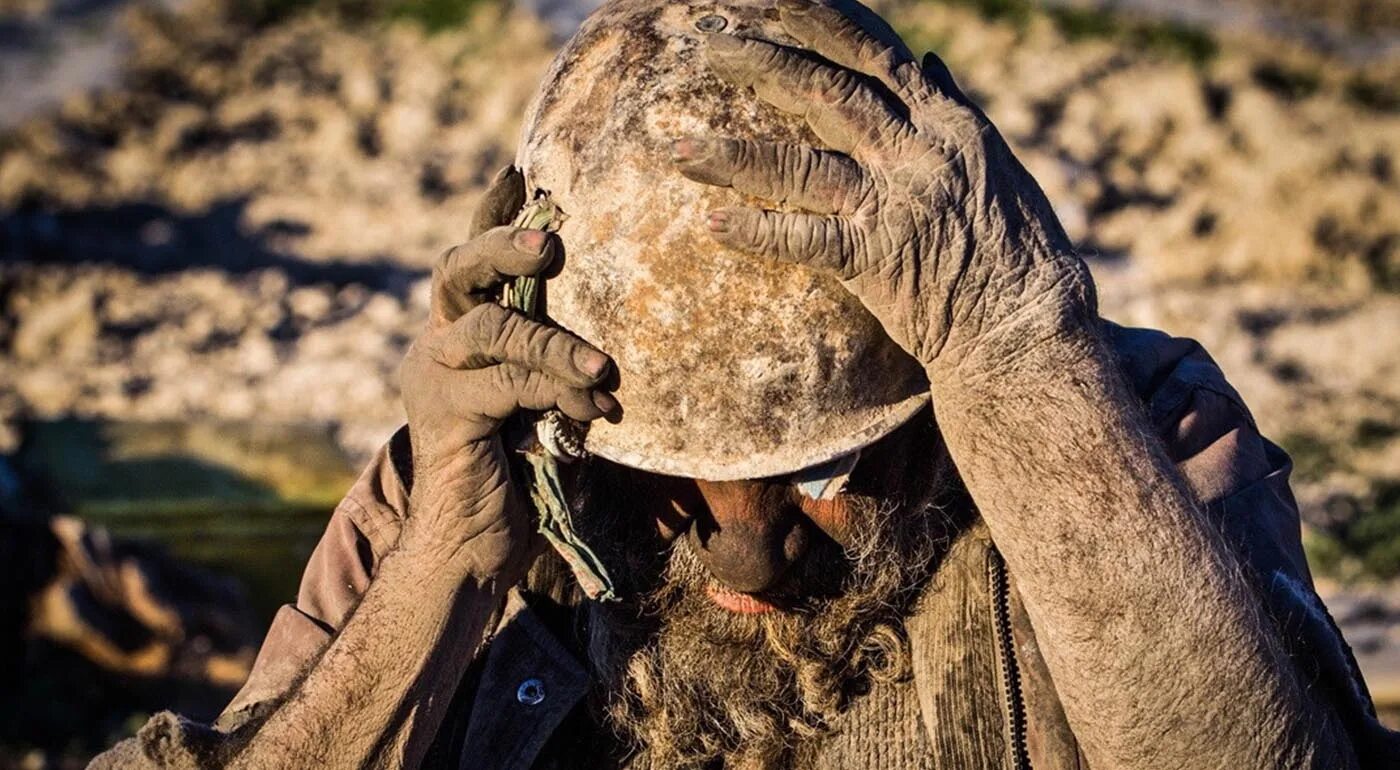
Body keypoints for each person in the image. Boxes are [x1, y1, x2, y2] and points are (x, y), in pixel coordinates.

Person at [92, 0, 1399, 768]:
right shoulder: (460, 485)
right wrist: (433, 579)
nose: (745, 548)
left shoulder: (1121, 430)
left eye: (818, 471)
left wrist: (1021, 361)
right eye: (660, 467)